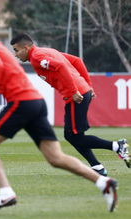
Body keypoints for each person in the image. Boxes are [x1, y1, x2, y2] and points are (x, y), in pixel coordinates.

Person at [0, 14, 118, 212]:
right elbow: (2, 75)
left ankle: (5, 193)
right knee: (56, 158)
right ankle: (104, 183)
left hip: (22, 103)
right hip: (35, 102)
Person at [10, 33, 130, 176]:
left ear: (26, 47)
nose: (15, 55)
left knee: (73, 136)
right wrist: (88, 85)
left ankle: (117, 146)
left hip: (76, 95)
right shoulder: (47, 51)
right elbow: (77, 60)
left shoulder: (36, 57)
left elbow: (60, 66)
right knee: (74, 135)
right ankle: (97, 167)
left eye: (16, 50)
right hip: (80, 91)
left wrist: (74, 91)